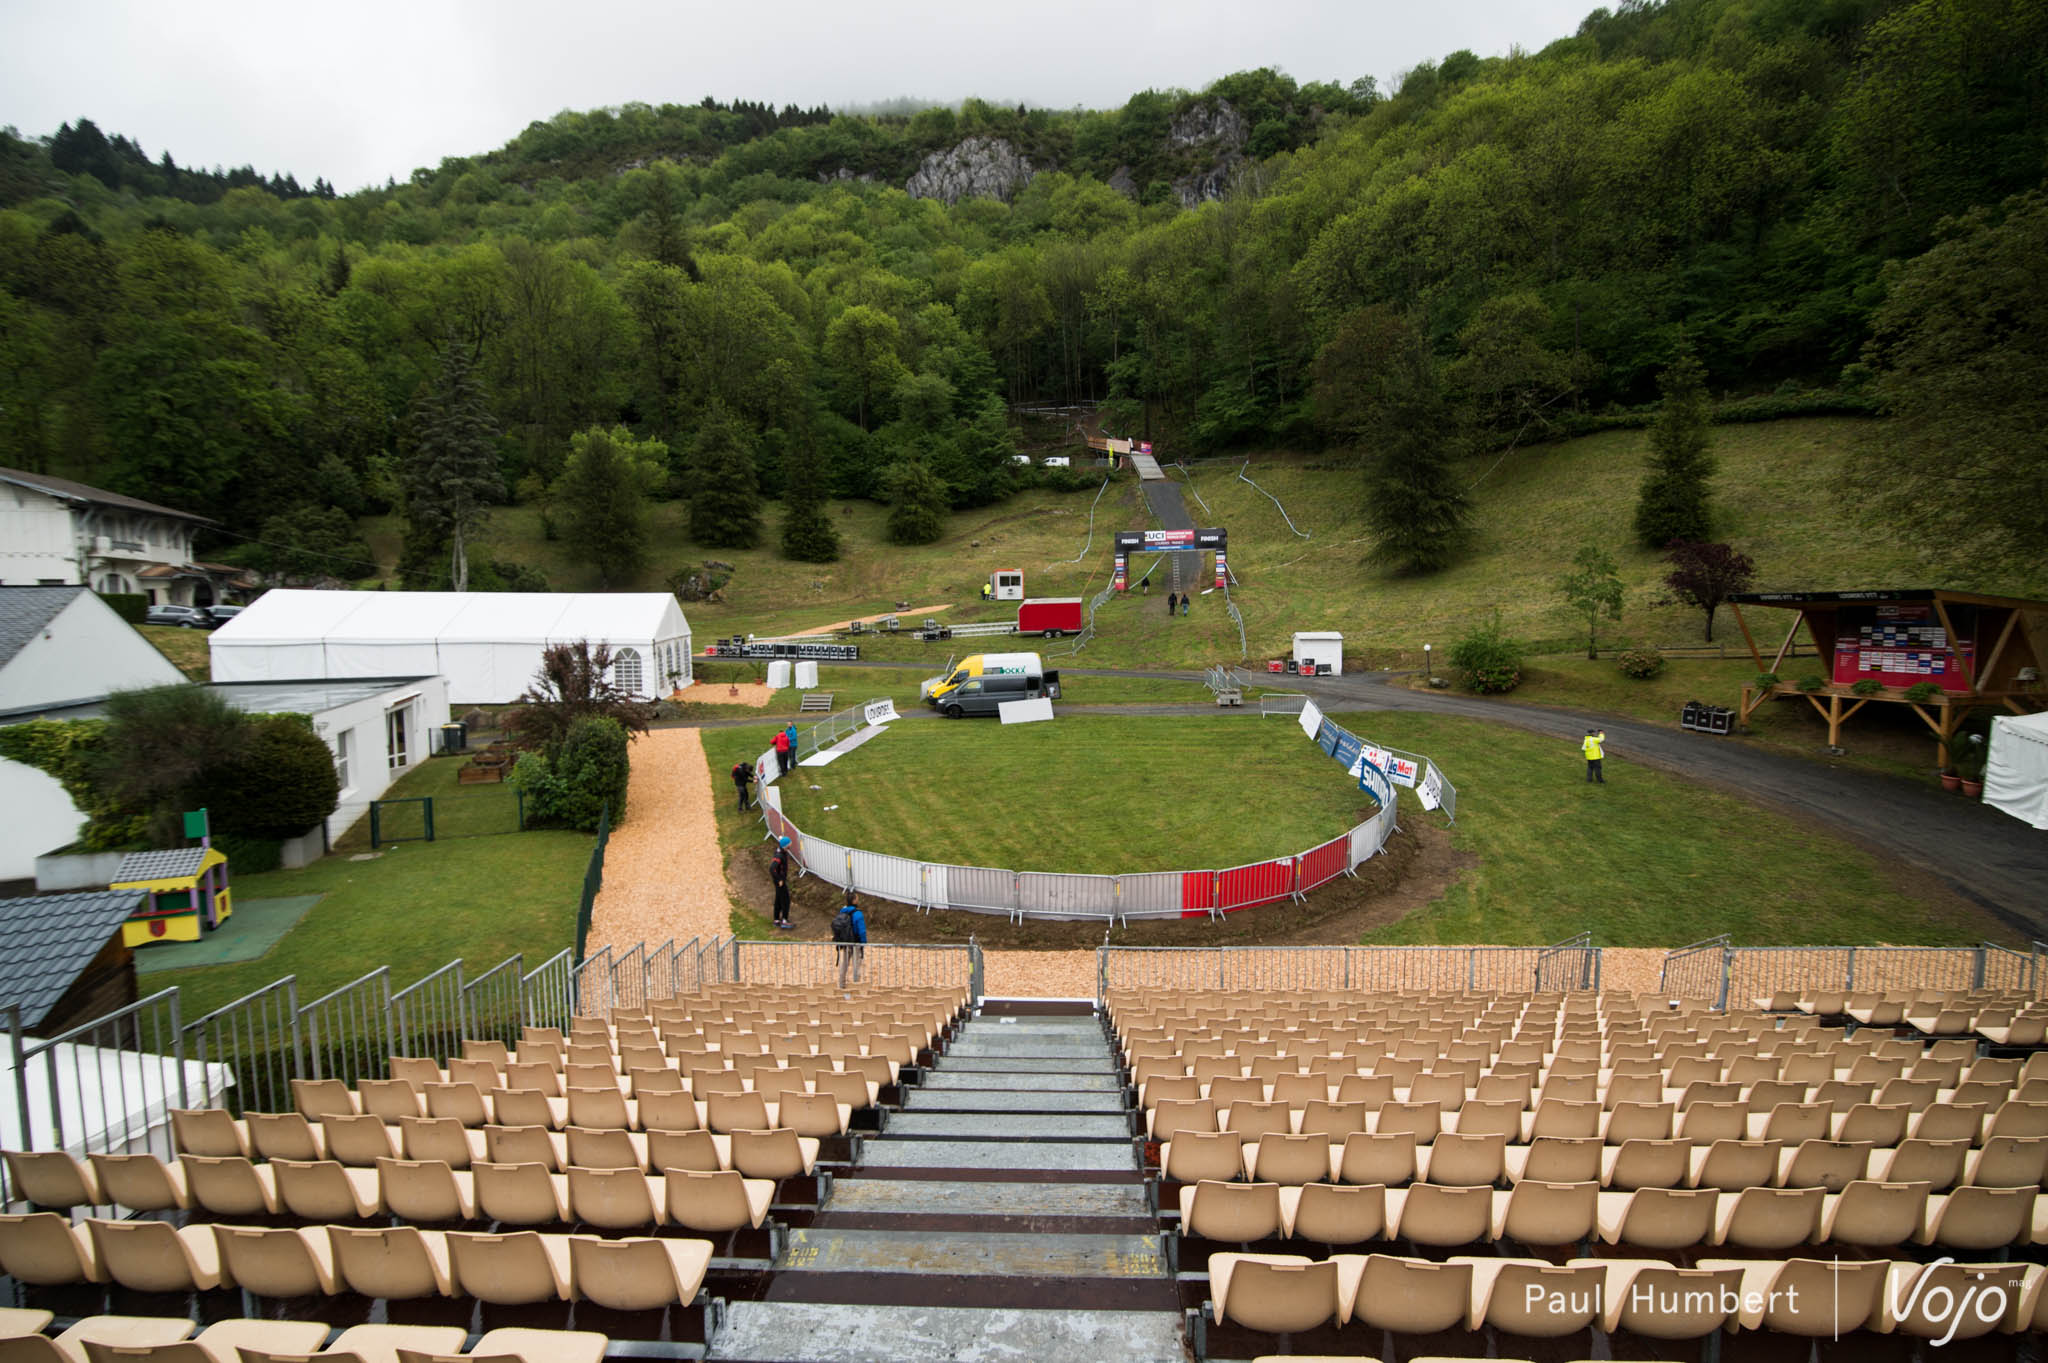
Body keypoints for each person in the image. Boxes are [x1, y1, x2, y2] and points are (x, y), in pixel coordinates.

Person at [832, 888, 867, 990]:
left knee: (845, 963)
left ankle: (841, 983)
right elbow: (862, 930)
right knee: (857, 964)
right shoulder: (858, 914)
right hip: (856, 942)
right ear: (854, 900)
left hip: (846, 942)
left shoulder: (842, 912)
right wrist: (863, 942)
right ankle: (856, 984)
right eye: (857, 898)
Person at [769, 835, 792, 929]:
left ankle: (776, 919)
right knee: (786, 900)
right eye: (789, 846)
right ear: (785, 846)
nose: (790, 847)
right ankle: (784, 920)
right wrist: (779, 880)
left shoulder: (781, 851)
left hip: (779, 880)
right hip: (780, 881)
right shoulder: (779, 856)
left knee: (778, 899)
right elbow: (772, 868)